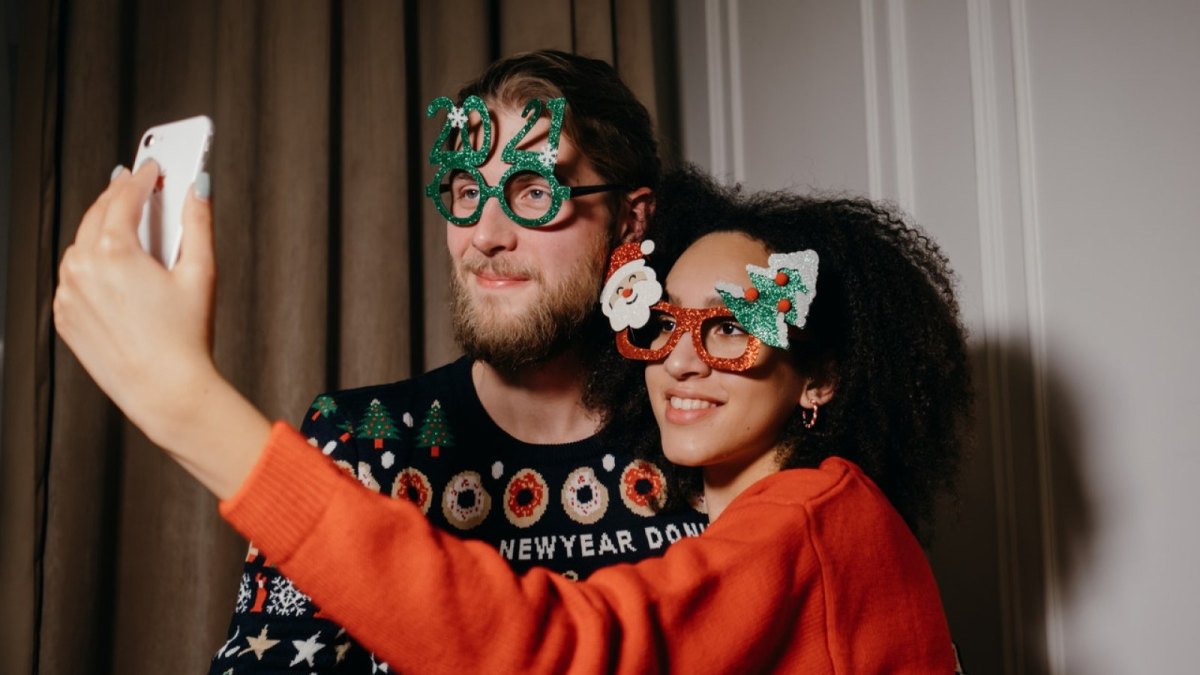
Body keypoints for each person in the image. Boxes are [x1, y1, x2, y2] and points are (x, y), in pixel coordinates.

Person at [55, 166, 971, 671]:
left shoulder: (809, 520)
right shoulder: (781, 519)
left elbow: (554, 652)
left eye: (730, 329)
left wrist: (186, 406)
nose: (684, 357)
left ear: (819, 380)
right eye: (658, 323)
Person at [59, 50, 709, 673]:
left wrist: (183, 404)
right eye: (462, 189)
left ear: (630, 218)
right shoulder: (360, 441)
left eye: (533, 190)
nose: (483, 235)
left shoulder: (703, 435)